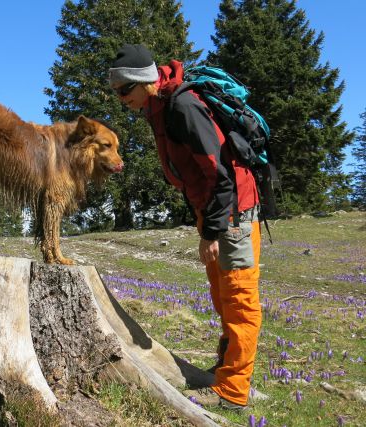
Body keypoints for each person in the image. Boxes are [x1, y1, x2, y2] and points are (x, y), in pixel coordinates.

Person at [109, 44, 262, 411]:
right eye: (116, 92)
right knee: (223, 297)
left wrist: (212, 231)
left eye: (123, 90)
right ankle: (227, 372)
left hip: (232, 212)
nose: (120, 99)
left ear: (144, 82)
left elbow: (221, 171)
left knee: (239, 300)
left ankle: (234, 392)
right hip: (213, 210)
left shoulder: (182, 106)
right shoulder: (159, 106)